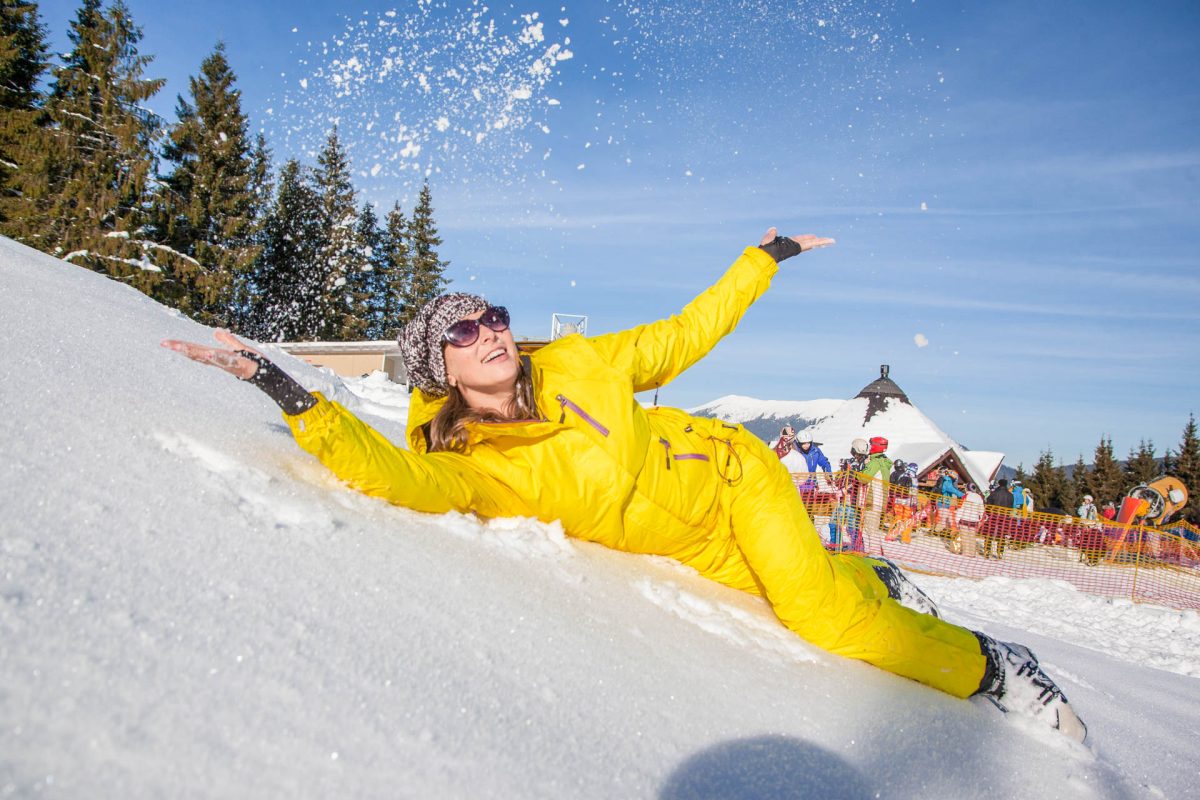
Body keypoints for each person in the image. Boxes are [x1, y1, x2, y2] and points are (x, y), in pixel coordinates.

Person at [161, 226, 1084, 741]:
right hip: (694, 542)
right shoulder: (480, 473)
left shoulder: (584, 364)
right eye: (464, 330)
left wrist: (763, 257)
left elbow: (685, 336)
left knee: (819, 618)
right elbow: (392, 476)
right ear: (436, 371)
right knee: (804, 586)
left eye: (493, 316)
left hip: (732, 477)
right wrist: (284, 390)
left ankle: (992, 669)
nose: (490, 331)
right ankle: (879, 582)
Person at [857, 436, 891, 540]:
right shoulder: (884, 462)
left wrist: (861, 469)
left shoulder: (875, 462)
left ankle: (873, 553)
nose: (870, 447)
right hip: (879, 501)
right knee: (873, 528)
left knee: (870, 530)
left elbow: (863, 478)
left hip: (871, 500)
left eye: (871, 445)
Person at [983, 479, 1014, 560]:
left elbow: (988, 503)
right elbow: (1011, 506)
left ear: (999, 484)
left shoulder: (994, 493)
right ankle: (1000, 552)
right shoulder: (1010, 495)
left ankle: (987, 550)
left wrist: (988, 513)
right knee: (1002, 534)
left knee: (989, 532)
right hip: (1004, 516)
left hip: (994, 515)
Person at [955, 483, 986, 557]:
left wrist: (957, 520)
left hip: (964, 519)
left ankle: (966, 553)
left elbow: (960, 509)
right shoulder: (979, 497)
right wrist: (980, 519)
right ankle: (972, 553)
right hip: (974, 520)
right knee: (972, 537)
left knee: (965, 537)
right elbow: (981, 510)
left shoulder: (965, 496)